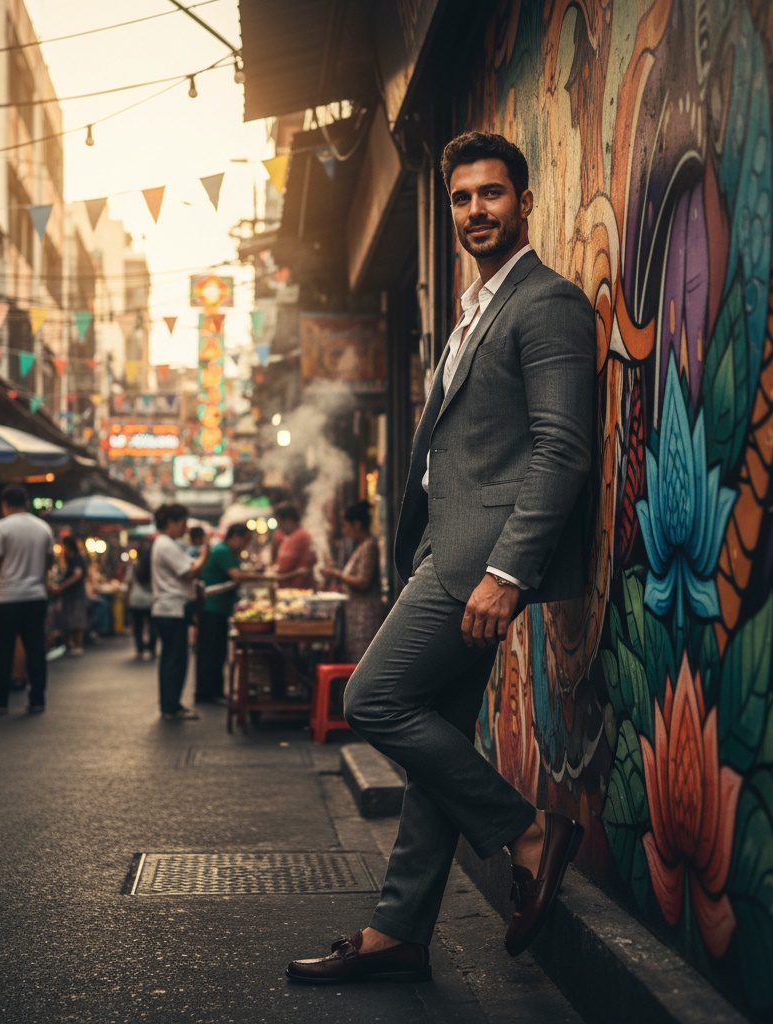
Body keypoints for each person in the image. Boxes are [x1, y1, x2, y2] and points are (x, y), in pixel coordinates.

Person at [287, 131, 595, 983]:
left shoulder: (548, 302)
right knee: (439, 747)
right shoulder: (474, 308)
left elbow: (562, 449)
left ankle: (529, 829)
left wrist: (505, 573)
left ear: (523, 203)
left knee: (373, 698)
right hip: (446, 550)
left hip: (477, 563)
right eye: (461, 199)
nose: (474, 211)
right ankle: (399, 933)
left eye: (490, 195)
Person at [0, 485, 55, 715]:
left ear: (5, 504)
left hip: (7, 599)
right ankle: (37, 699)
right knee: (35, 650)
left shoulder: (2, 527)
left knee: (2, 652)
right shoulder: (43, 528)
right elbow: (49, 561)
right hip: (35, 598)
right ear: (27, 503)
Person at [195, 523, 263, 705]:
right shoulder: (223, 551)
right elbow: (237, 576)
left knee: (217, 652)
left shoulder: (225, 551)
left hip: (218, 608)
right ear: (235, 537)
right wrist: (265, 577)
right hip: (212, 608)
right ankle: (207, 692)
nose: (245, 546)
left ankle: (213, 691)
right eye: (245, 541)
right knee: (212, 653)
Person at [150, 504, 206, 720]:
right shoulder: (165, 544)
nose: (185, 528)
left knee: (174, 659)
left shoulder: (168, 543)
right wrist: (205, 552)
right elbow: (190, 571)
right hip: (170, 609)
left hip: (171, 609)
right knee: (175, 659)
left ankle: (172, 705)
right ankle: (170, 707)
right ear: (171, 522)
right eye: (183, 523)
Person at [320, 501, 384, 663]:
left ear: (357, 524)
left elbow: (363, 582)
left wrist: (336, 574)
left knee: (363, 661)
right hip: (356, 615)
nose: (344, 530)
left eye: (345, 525)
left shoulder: (369, 545)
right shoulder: (362, 546)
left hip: (365, 616)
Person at [50, 535, 87, 655]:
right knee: (70, 620)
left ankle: (78, 645)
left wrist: (63, 586)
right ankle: (70, 644)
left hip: (76, 595)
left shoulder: (76, 559)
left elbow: (77, 575)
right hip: (71, 595)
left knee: (76, 620)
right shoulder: (70, 559)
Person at [272, 504, 316, 589]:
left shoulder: (301, 536)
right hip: (290, 590)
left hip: (298, 590)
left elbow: (284, 569)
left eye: (279, 522)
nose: (279, 527)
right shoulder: (290, 537)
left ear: (288, 520)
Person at [126, 540, 156, 661]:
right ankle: (152, 649)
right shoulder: (152, 567)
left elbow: (129, 583)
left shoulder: (133, 566)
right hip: (150, 600)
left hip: (136, 599)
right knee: (152, 625)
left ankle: (139, 650)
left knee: (138, 626)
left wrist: (127, 597)